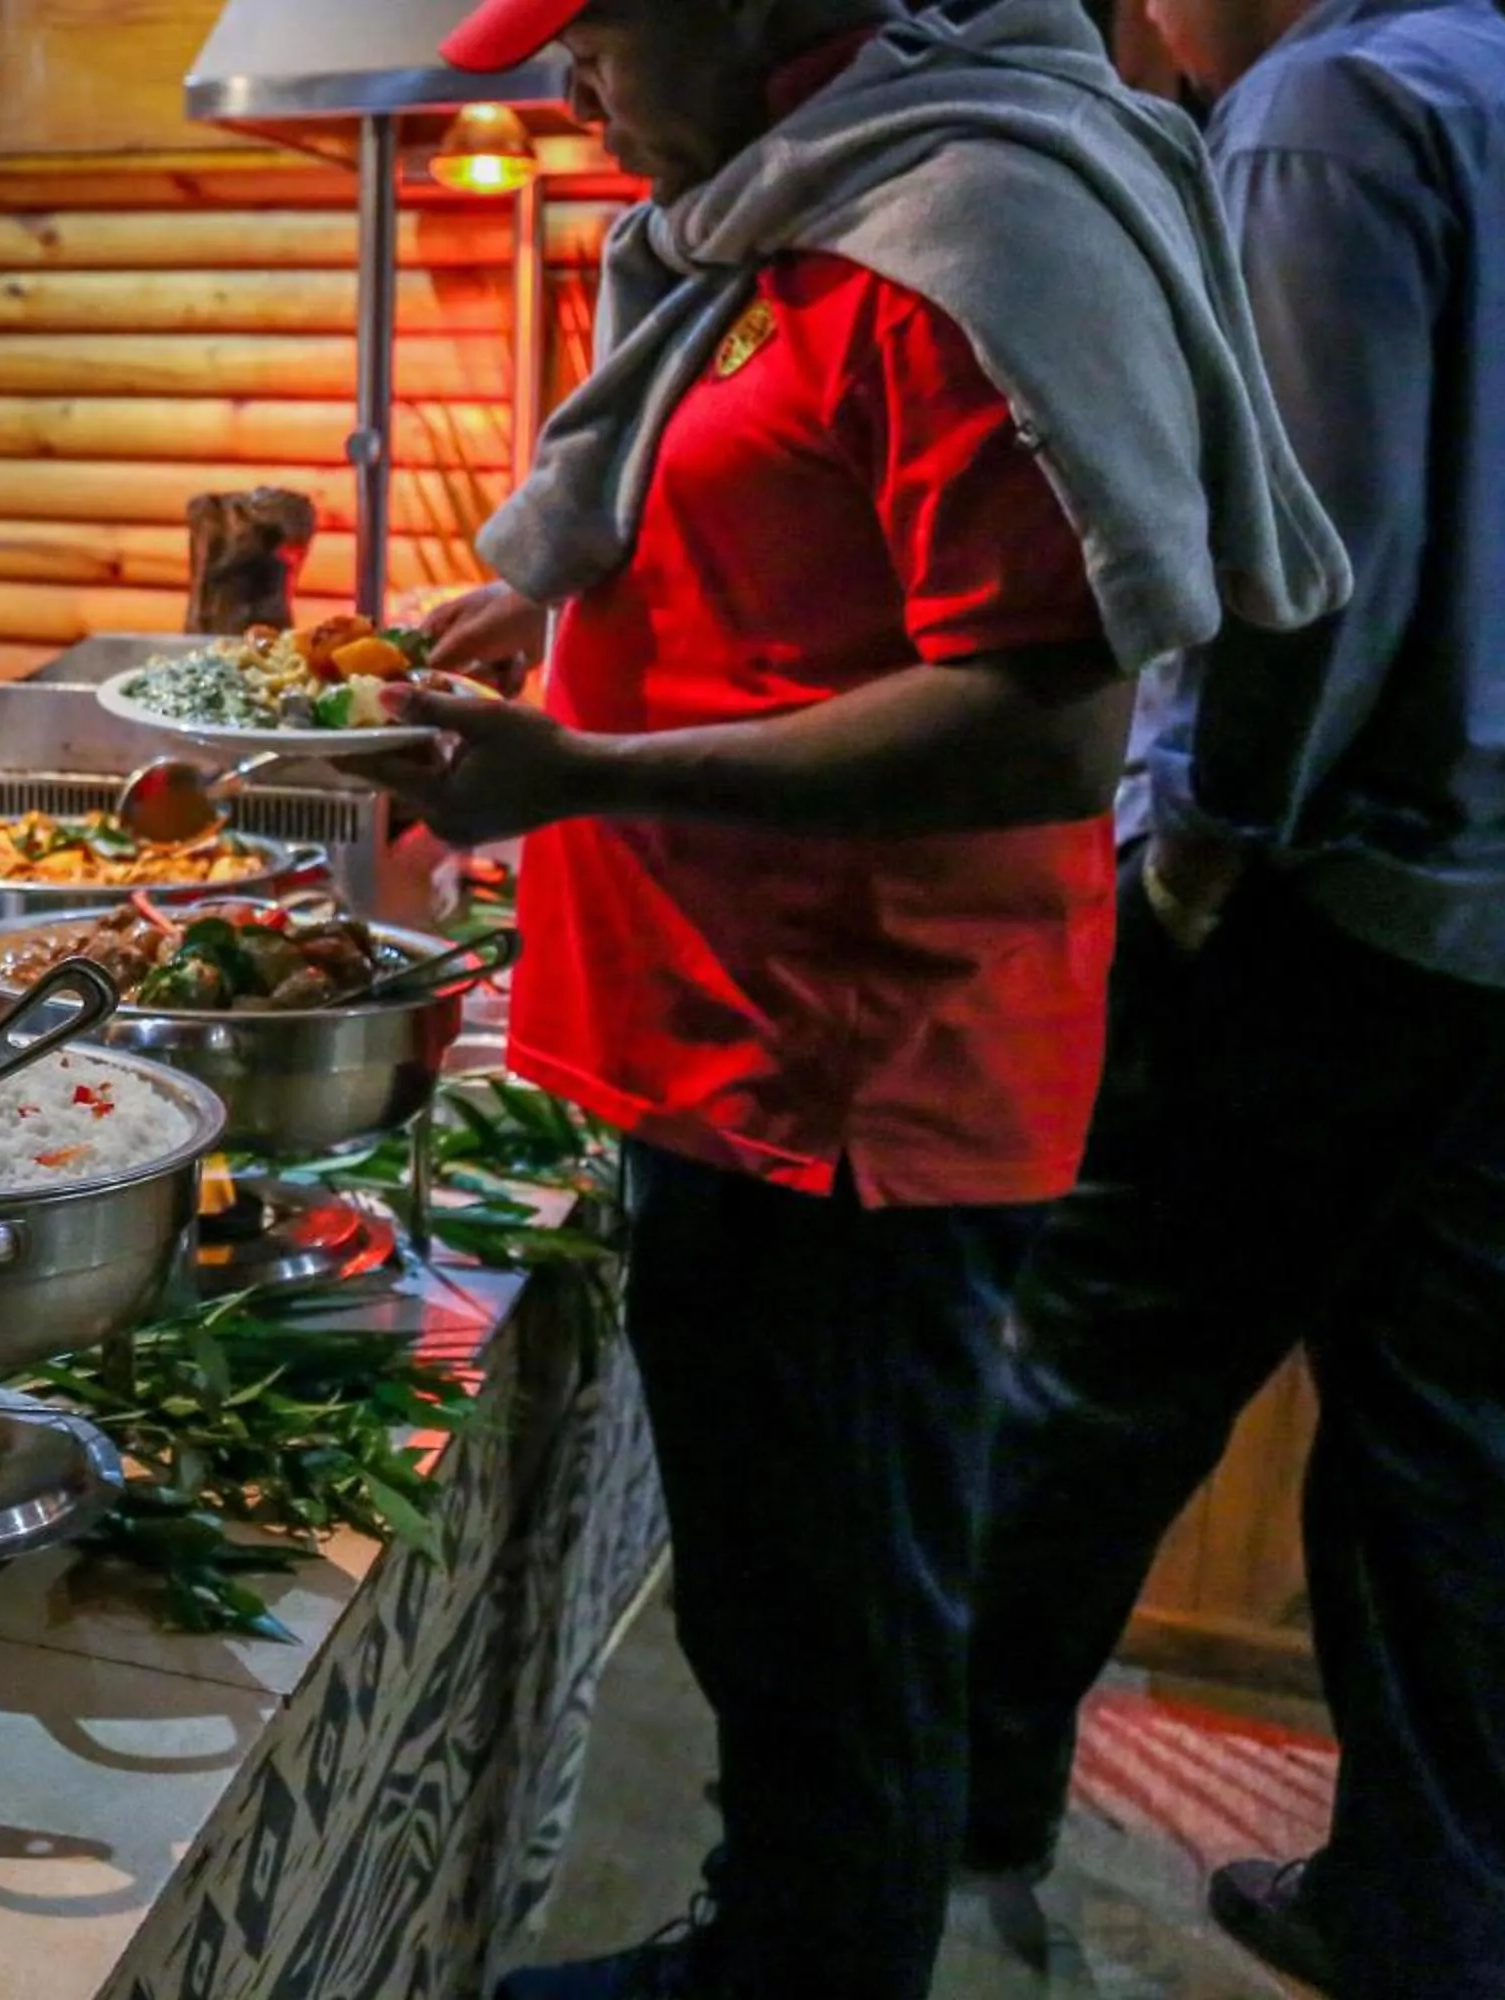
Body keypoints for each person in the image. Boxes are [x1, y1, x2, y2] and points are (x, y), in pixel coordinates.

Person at [383, 1, 1350, 1994]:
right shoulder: (789, 215)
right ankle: (781, 1931)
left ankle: (805, 1962)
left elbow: (1040, 724)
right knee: (782, 1595)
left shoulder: (970, 226)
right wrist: (565, 615)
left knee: (843, 1629)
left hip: (848, 1074)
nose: (567, 77)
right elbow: (794, 556)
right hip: (724, 1040)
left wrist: (592, 775)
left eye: (600, 28)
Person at [959, 3, 1505, 1994]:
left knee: (1100, 1364)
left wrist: (1210, 832)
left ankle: (944, 1824)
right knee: (1447, 1413)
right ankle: (1428, 1911)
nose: (1147, 20)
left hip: (1357, 882)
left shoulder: (1322, 109)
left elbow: (1298, 538)